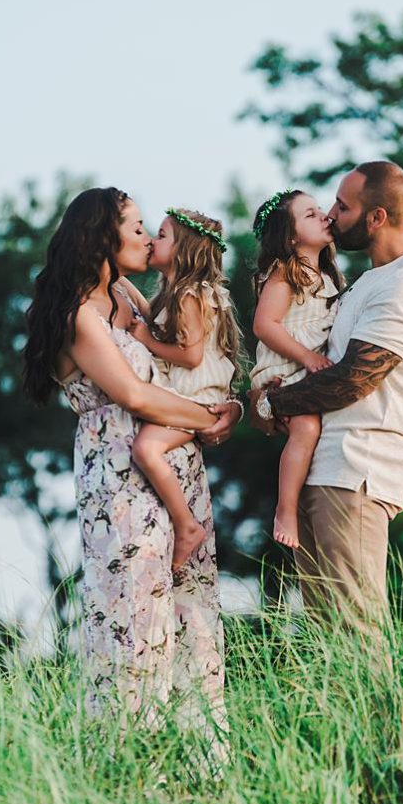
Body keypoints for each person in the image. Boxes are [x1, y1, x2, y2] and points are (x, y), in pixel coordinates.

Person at [22, 187, 241, 771]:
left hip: (175, 470)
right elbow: (135, 393)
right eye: (137, 227)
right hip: (120, 481)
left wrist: (229, 406)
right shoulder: (78, 316)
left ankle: (202, 774)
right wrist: (209, 420)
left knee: (192, 619)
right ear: (102, 238)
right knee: (133, 619)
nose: (147, 238)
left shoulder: (125, 294)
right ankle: (132, 774)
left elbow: (179, 362)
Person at [250, 161, 403, 652]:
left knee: (358, 634)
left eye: (343, 206)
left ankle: (383, 732)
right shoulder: (365, 282)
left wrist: (271, 405)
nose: (332, 215)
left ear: (376, 218)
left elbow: (352, 379)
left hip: (356, 472)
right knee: (329, 641)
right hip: (325, 468)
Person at [124, 207, 242, 572]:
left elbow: (190, 356)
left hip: (197, 397)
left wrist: (146, 341)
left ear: (184, 249)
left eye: (161, 235)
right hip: (187, 396)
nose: (152, 241)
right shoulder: (174, 294)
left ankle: (185, 523)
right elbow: (148, 317)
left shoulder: (190, 295)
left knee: (146, 448)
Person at [249, 190, 343, 548]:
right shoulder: (285, 274)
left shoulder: (328, 277)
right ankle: (285, 509)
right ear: (290, 237)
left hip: (306, 367)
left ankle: (300, 501)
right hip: (285, 366)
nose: (323, 216)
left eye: (321, 210)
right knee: (306, 427)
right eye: (310, 214)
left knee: (313, 428)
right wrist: (306, 357)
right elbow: (265, 325)